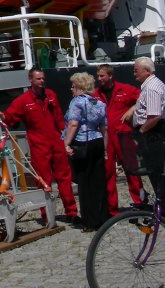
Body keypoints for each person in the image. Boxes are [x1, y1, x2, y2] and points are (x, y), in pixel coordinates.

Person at [0, 66, 79, 223]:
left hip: (56, 142)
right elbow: (10, 117)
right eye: (38, 79)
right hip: (39, 145)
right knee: (42, 180)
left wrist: (65, 140)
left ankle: (71, 212)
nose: (42, 81)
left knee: (64, 177)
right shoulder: (23, 101)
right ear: (31, 80)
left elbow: (59, 118)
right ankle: (46, 215)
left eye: (43, 78)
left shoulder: (50, 95)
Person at [123, 56, 165, 216]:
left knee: (159, 172)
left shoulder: (152, 87)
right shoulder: (151, 85)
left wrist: (139, 133)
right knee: (159, 172)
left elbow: (154, 116)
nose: (134, 74)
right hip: (153, 131)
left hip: (153, 133)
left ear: (146, 71)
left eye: (136, 70)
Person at [93, 64, 145, 215]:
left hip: (124, 135)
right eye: (98, 76)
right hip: (106, 138)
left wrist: (132, 109)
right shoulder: (96, 94)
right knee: (108, 172)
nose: (99, 79)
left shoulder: (125, 89)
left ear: (110, 76)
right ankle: (112, 208)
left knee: (132, 170)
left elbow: (143, 97)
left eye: (102, 76)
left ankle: (139, 202)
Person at [63, 72, 109, 231]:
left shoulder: (77, 102)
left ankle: (90, 221)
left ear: (80, 88)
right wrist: (105, 148)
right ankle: (103, 217)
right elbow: (104, 128)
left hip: (83, 143)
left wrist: (66, 144)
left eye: (73, 86)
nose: (71, 89)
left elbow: (73, 125)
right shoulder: (99, 103)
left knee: (85, 182)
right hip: (97, 141)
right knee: (99, 181)